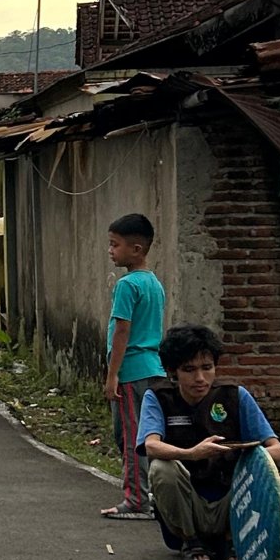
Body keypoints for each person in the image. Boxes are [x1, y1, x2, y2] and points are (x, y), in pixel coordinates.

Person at [136, 325, 280, 560]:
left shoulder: (235, 396)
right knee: (161, 468)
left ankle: (232, 540)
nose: (200, 378)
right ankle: (191, 540)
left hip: (230, 502)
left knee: (264, 468)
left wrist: (244, 453)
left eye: (207, 368)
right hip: (189, 506)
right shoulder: (158, 397)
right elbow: (151, 446)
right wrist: (192, 454)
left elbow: (279, 451)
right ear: (172, 371)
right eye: (189, 370)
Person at [99, 211, 168, 522]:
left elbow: (122, 331)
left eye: (115, 245)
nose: (111, 251)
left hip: (131, 371)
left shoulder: (127, 285)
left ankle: (137, 499)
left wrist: (112, 375)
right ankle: (150, 494)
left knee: (131, 437)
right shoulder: (154, 284)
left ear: (136, 249)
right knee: (149, 435)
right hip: (153, 368)